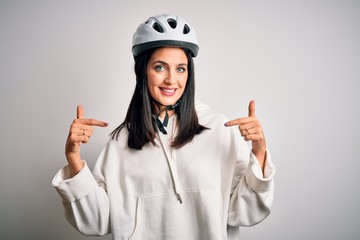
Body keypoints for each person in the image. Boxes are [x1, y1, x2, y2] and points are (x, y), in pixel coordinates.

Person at [52, 14, 275, 240]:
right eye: (160, 67)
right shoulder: (121, 142)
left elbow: (246, 213)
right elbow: (96, 223)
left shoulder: (219, 129)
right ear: (143, 71)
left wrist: (259, 151)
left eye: (180, 69)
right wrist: (74, 158)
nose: (171, 80)